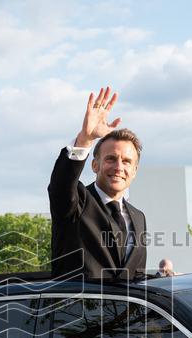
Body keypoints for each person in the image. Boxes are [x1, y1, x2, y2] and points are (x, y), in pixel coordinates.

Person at [48, 86, 147, 281]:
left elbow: (137, 277)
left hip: (124, 312)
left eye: (127, 161)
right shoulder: (76, 202)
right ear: (95, 165)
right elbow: (61, 184)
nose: (119, 167)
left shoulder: (138, 217)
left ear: (134, 171)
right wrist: (84, 140)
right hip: (75, 311)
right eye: (111, 159)